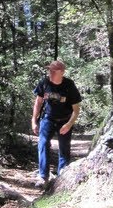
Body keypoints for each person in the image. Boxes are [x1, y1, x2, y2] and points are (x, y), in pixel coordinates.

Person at [31, 59, 81, 188]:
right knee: (42, 143)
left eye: (54, 71)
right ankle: (43, 177)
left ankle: (61, 177)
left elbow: (76, 110)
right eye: (49, 70)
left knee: (64, 148)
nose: (50, 73)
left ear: (62, 72)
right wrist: (34, 120)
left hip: (65, 120)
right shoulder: (44, 83)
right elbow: (38, 102)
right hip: (47, 119)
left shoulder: (69, 85)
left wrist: (69, 124)